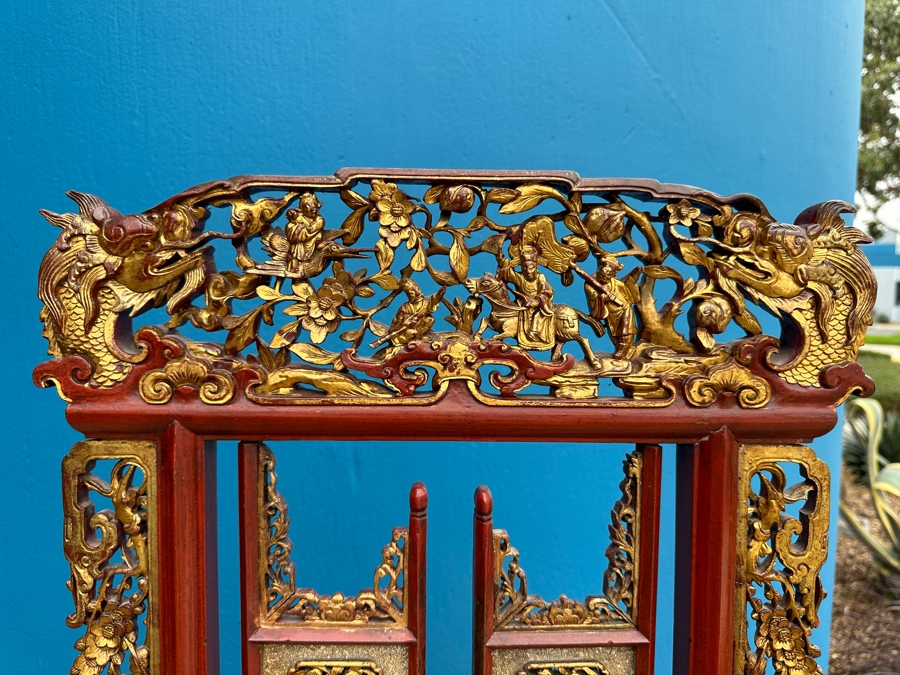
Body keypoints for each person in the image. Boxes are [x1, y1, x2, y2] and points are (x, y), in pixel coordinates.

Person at [497, 245, 555, 348]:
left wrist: (536, 302)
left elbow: (548, 292)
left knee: (539, 316)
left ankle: (534, 332)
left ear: (536, 267)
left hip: (539, 307)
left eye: (531, 268)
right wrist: (502, 261)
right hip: (522, 306)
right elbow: (507, 273)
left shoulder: (540, 278)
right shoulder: (519, 277)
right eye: (525, 267)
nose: (528, 271)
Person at [585, 255, 637, 359]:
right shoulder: (590, 284)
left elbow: (629, 298)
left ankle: (623, 351)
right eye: (602, 275)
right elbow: (593, 297)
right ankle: (621, 350)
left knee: (626, 331)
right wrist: (601, 298)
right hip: (609, 313)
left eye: (608, 275)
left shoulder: (618, 284)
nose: (604, 278)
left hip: (624, 309)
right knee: (614, 334)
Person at [285, 193, 325, 275]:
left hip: (311, 245)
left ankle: (300, 267)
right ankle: (294, 266)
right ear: (302, 209)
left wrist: (300, 228)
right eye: (308, 208)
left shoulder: (319, 220)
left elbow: (310, 230)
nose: (313, 210)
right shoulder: (299, 218)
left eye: (314, 208)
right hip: (298, 245)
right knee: (297, 246)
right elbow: (290, 229)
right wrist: (296, 226)